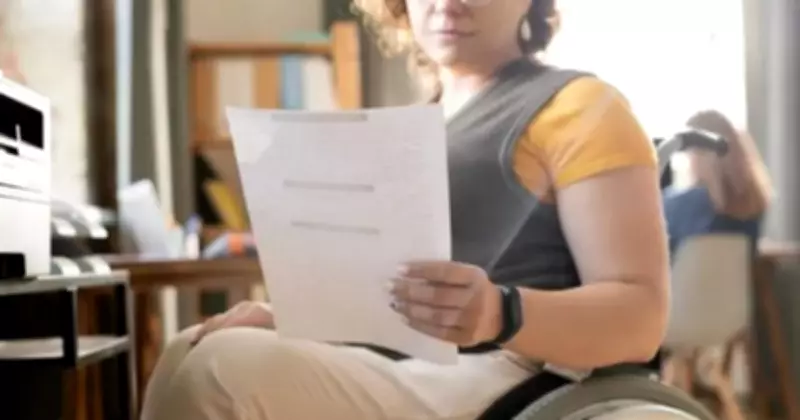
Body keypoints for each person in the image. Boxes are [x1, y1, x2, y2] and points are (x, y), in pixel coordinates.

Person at [141, 0, 670, 419]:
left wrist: (500, 311)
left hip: (508, 372)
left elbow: (641, 316)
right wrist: (288, 319)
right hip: (404, 361)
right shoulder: (418, 124)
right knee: (188, 348)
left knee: (219, 370)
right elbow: (382, 296)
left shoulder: (582, 106)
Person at [663, 110, 772, 256]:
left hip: (684, 271)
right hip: (734, 272)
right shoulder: (754, 202)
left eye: (690, 151)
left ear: (700, 153)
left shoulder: (679, 204)